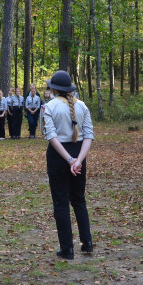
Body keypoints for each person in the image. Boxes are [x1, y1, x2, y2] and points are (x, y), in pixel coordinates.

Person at [41, 70, 94, 260]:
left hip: (58, 155)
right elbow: (88, 135)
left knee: (61, 202)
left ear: (53, 89)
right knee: (79, 199)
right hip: (79, 151)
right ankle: (87, 243)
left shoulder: (49, 107)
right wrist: (78, 159)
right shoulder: (82, 106)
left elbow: (51, 136)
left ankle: (67, 248)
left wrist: (69, 160)